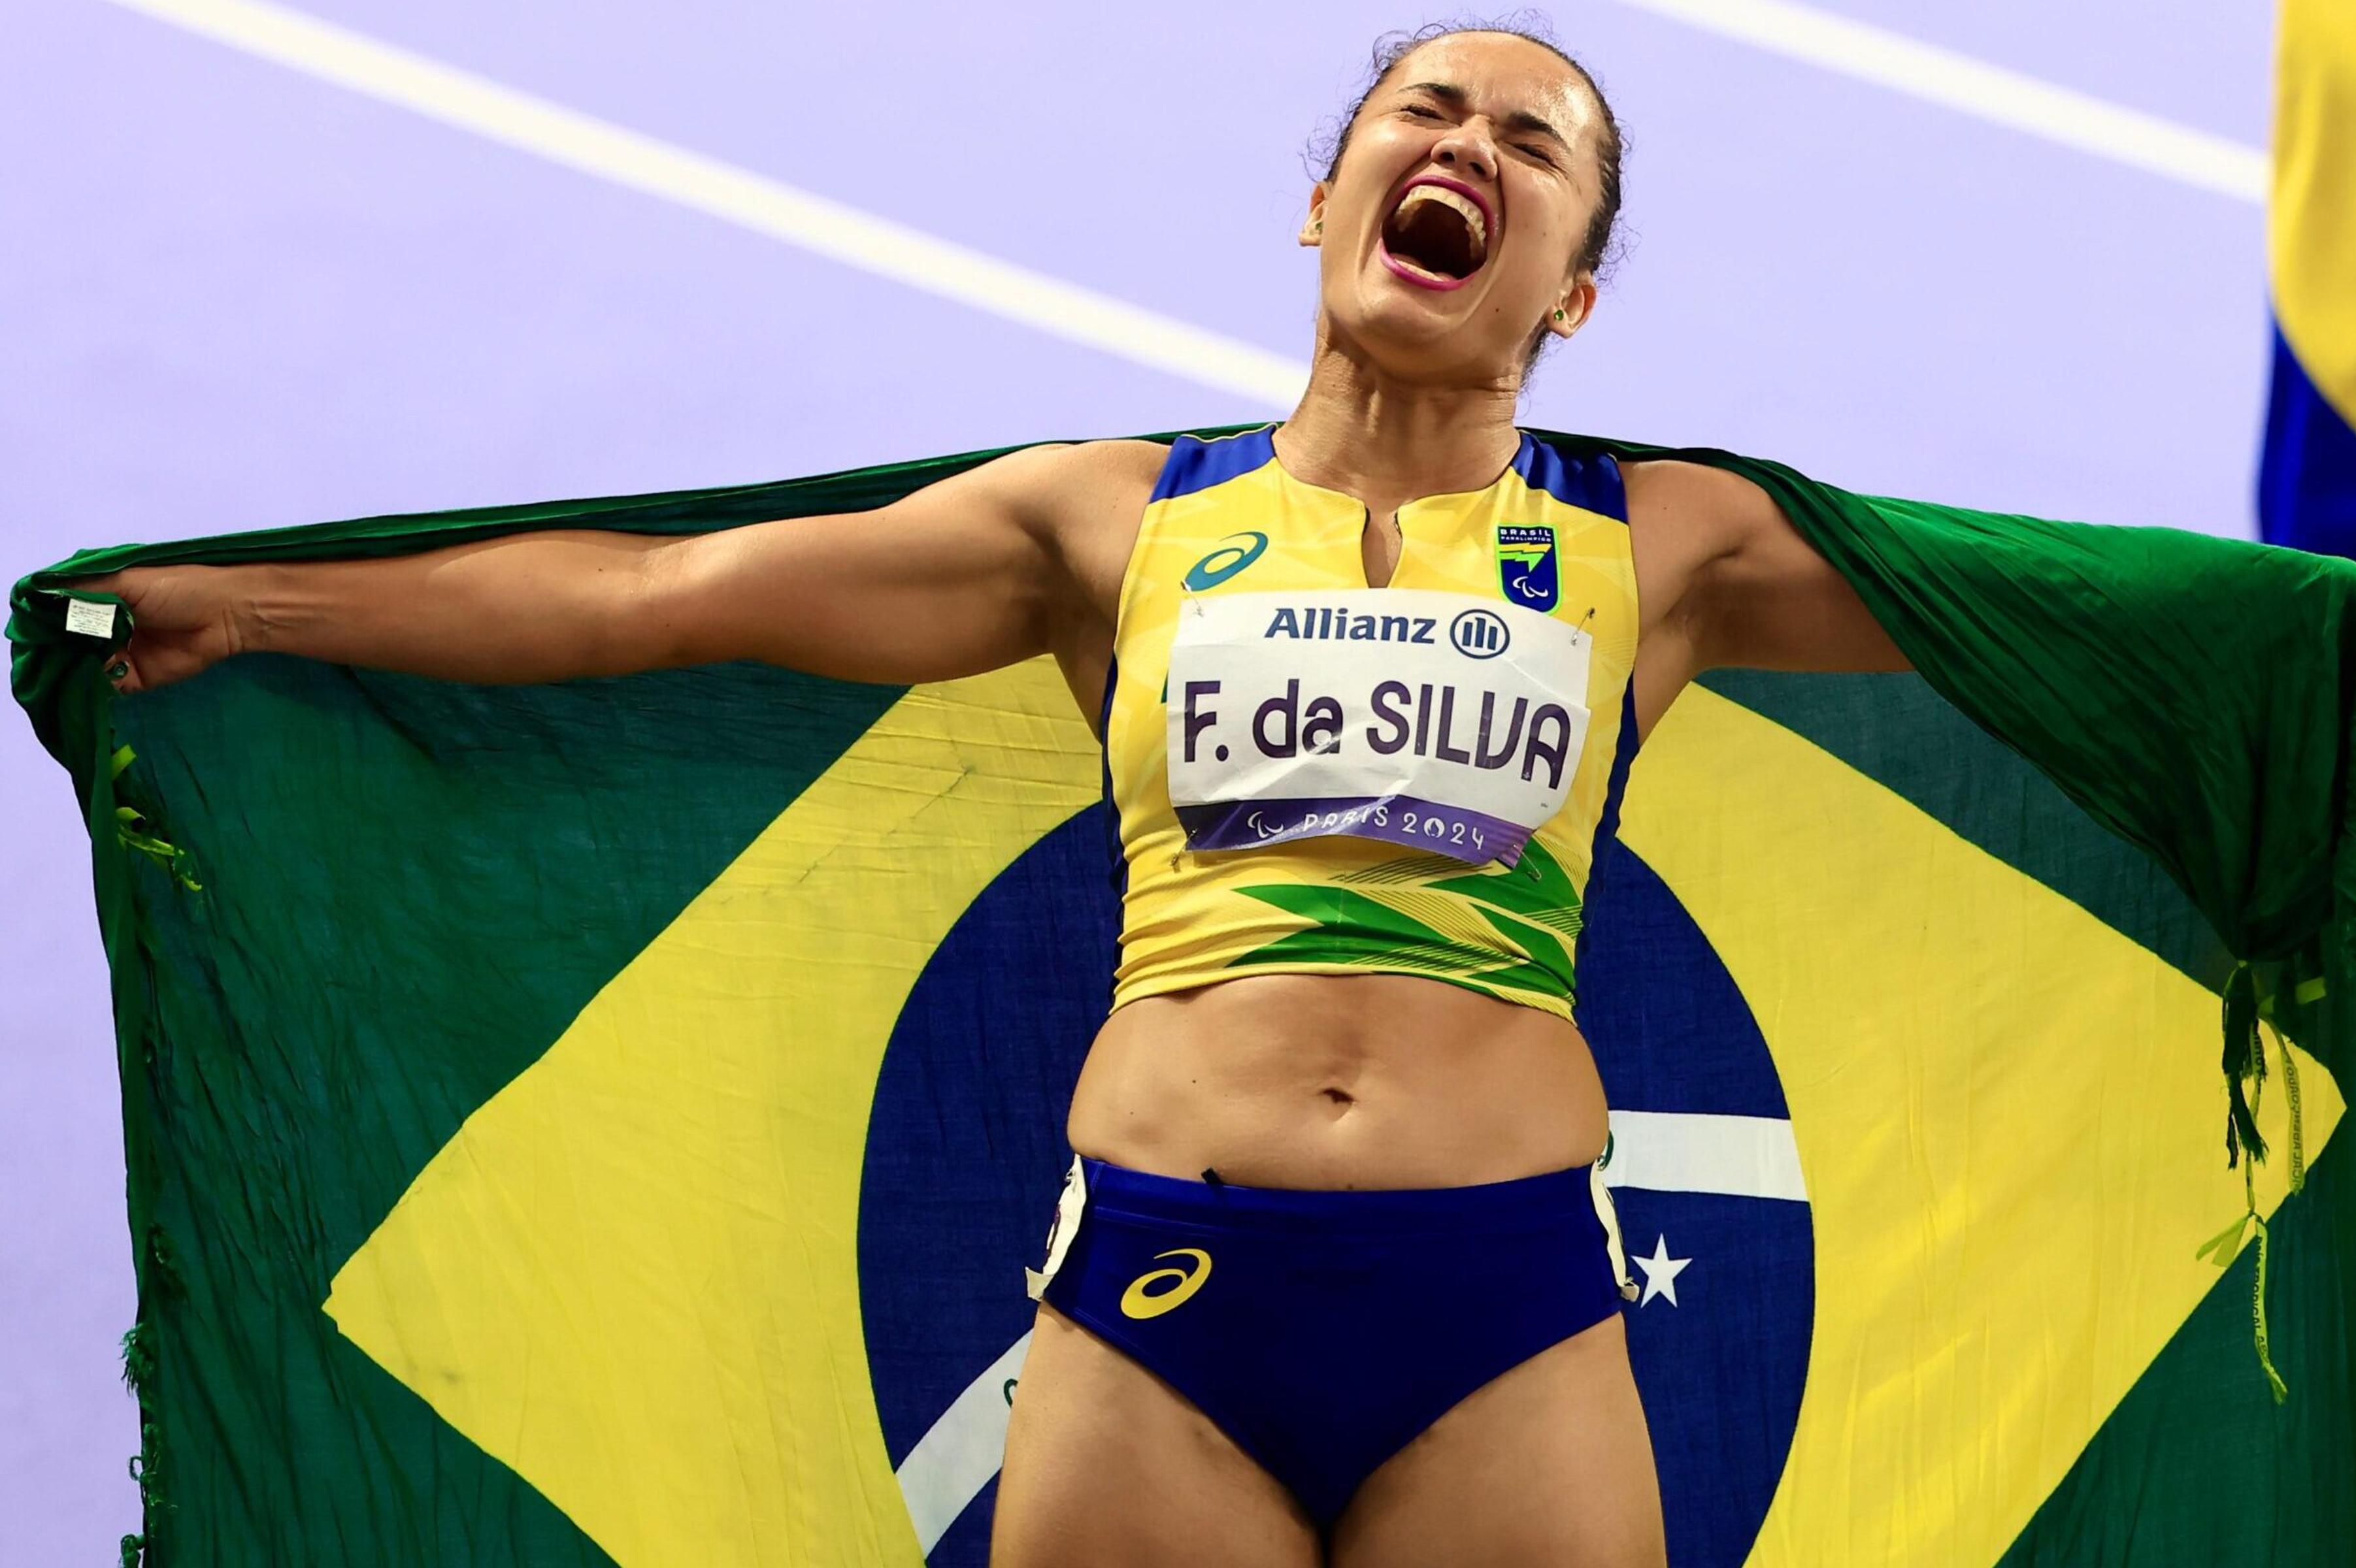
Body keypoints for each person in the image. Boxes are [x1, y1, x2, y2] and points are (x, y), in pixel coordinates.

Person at [88, 23, 1908, 1568]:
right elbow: (661, 599)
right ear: (1323, 198)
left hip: (1506, 1301)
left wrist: (2219, 641)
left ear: (1572, 289)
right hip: (1169, 1290)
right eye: (1425, 112)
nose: (1467, 147)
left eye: (1532, 143)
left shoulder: (1661, 545)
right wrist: (259, 608)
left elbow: (2077, 638)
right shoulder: (1110, 522)